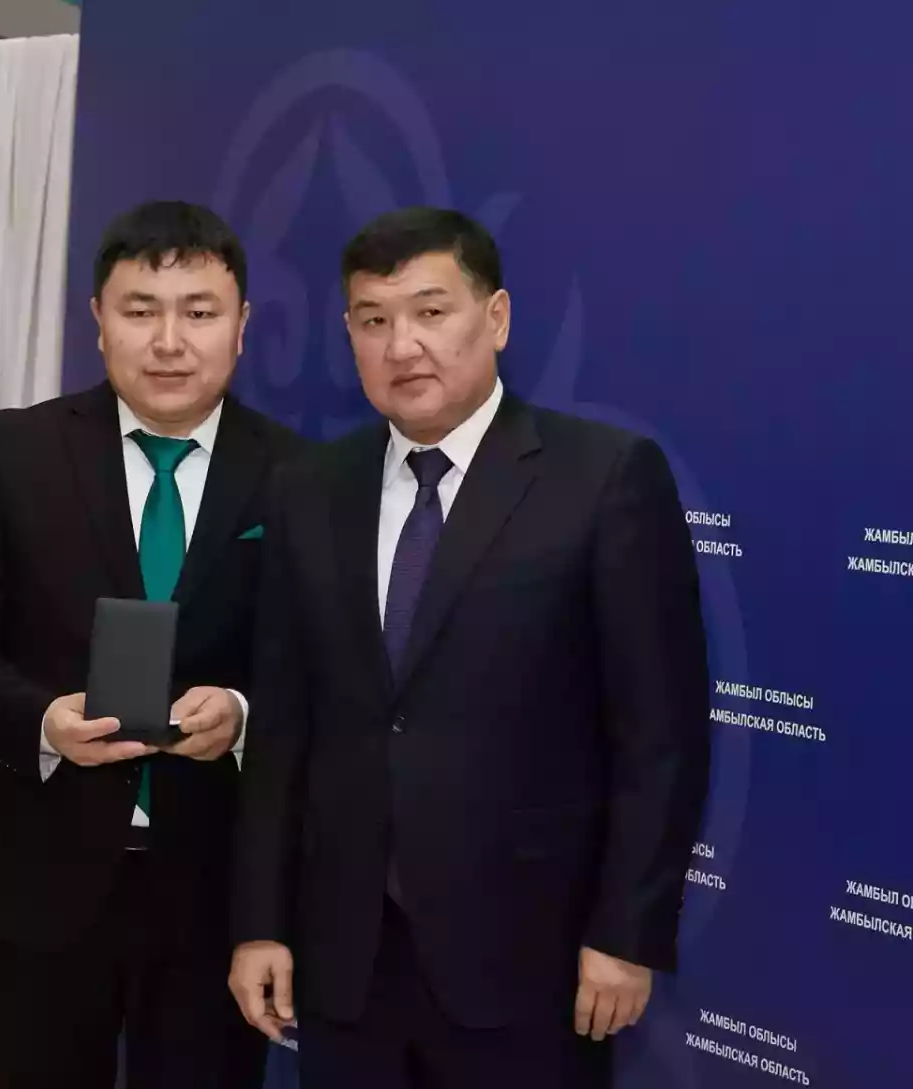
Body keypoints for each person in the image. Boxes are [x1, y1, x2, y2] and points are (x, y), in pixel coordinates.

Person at [229, 207, 710, 1089]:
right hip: (346, 962)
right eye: (373, 319)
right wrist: (261, 921)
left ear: (496, 318)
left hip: (532, 959)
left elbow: (661, 735)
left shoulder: (603, 477)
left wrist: (626, 932)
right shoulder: (309, 489)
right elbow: (285, 727)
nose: (402, 344)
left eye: (430, 311)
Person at [0, 201, 303, 1089]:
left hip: (216, 885)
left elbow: (324, 670)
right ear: (97, 320)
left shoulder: (301, 475)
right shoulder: (15, 449)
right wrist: (42, 720)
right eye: (139, 309)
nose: (169, 341)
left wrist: (242, 714)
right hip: (34, 869)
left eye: (198, 311)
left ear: (241, 325)